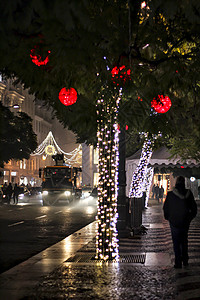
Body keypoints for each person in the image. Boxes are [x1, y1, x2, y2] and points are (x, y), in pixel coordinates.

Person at [163, 176, 197, 268]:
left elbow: (166, 207)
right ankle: (185, 260)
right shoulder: (188, 193)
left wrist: (168, 217)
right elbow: (194, 208)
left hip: (174, 221)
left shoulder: (170, 194)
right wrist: (189, 218)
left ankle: (178, 262)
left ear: (176, 182)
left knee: (176, 242)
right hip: (185, 221)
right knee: (184, 240)